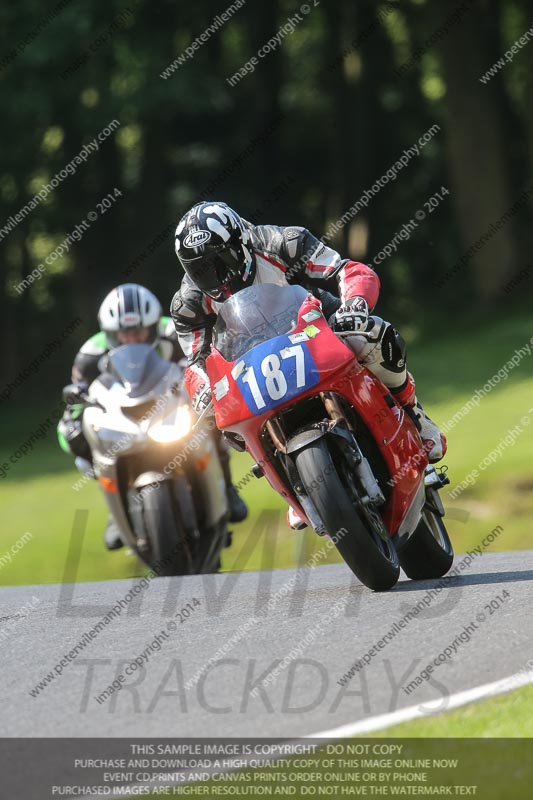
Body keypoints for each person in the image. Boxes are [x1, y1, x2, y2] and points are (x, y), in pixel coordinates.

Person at [170, 202, 447, 530]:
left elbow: (347, 271)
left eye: (222, 262)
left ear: (241, 242)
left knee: (371, 334)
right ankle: (294, 482)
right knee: (225, 423)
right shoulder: (188, 305)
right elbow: (195, 360)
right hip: (248, 363)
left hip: (316, 326)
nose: (216, 277)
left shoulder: (284, 243)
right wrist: (202, 389)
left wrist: (355, 304)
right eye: (201, 270)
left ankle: (415, 415)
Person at [58, 283, 247, 550]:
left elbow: (207, 360)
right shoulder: (89, 355)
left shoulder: (175, 332)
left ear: (153, 326)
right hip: (121, 415)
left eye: (138, 332)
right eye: (123, 334)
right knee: (82, 444)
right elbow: (75, 401)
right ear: (110, 333)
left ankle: (226, 487)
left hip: (171, 405)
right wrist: (72, 423)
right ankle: (117, 510)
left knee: (213, 420)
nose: (131, 339)